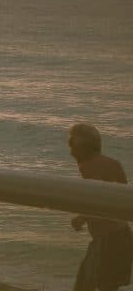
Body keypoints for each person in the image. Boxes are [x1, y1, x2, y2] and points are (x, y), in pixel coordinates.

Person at [69, 122, 132, 291]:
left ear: (83, 147)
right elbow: (122, 200)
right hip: (120, 236)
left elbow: (98, 201)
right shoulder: (112, 163)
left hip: (108, 241)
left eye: (72, 143)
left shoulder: (89, 167)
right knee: (97, 284)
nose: (70, 150)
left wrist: (82, 218)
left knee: (90, 285)